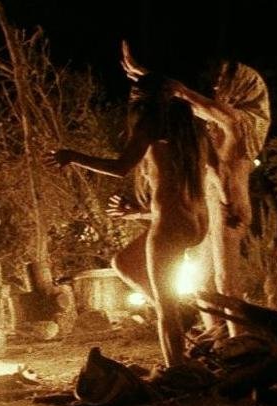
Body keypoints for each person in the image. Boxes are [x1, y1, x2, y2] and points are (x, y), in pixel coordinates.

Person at [47, 66, 213, 370]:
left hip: (171, 224)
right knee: (124, 262)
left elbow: (122, 167)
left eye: (135, 94)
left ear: (144, 101)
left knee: (166, 311)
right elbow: (178, 190)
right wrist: (138, 212)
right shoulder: (192, 131)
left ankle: (177, 370)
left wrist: (72, 156)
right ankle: (181, 314)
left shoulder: (151, 125)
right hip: (197, 221)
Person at [123, 42, 270, 338]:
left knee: (225, 279)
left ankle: (238, 341)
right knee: (201, 281)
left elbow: (227, 122)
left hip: (227, 208)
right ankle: (214, 338)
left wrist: (177, 89)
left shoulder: (236, 131)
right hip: (208, 206)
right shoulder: (203, 138)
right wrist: (141, 212)